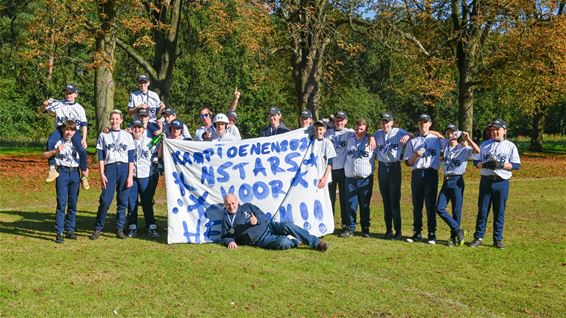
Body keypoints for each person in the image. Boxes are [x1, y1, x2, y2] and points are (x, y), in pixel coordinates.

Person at [469, 119, 520, 249]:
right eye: (492, 130)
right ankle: (478, 237)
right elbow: (476, 162)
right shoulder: (485, 144)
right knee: (483, 210)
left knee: (499, 211)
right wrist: (484, 164)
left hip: (501, 181)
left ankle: (497, 239)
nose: (494, 132)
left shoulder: (510, 146)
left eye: (497, 129)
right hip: (486, 180)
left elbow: (516, 165)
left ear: (504, 131)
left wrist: (502, 165)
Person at [220, 194, 329, 251]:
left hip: (269, 226)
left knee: (287, 225)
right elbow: (225, 236)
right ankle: (296, 242)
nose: (231, 206)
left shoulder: (247, 206)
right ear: (225, 205)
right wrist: (230, 241)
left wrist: (257, 220)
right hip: (260, 240)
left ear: (237, 201)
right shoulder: (227, 219)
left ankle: (316, 243)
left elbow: (263, 216)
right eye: (228, 204)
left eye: (233, 203)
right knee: (283, 243)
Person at [90, 110, 135, 240]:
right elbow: (101, 157)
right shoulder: (104, 135)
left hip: (124, 168)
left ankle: (119, 228)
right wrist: (102, 173)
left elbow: (131, 157)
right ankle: (98, 227)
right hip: (110, 168)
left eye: (117, 119)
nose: (114, 121)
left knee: (122, 200)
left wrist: (130, 175)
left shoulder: (127, 135)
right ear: (109, 120)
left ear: (121, 120)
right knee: (105, 199)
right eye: (112, 119)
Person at [404, 114, 445, 244]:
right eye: (421, 122)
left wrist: (433, 132)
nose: (423, 125)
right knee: (417, 205)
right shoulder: (413, 141)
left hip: (430, 173)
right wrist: (415, 155)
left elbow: (447, 142)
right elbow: (407, 162)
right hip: (417, 173)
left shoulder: (436, 139)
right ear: (418, 124)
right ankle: (417, 232)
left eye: (425, 122)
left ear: (430, 124)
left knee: (430, 205)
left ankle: (432, 234)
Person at [436, 124, 480, 246]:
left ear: (457, 134)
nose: (450, 135)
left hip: (457, 180)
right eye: (448, 133)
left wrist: (468, 139)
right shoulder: (445, 146)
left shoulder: (463, 148)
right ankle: (458, 230)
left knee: (456, 210)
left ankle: (453, 238)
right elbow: (437, 135)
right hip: (446, 180)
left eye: (453, 132)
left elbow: (478, 151)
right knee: (439, 208)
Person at [40, 84, 90, 189]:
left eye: (70, 93)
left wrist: (84, 138)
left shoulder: (79, 108)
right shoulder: (58, 104)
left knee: (82, 150)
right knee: (50, 142)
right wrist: (44, 105)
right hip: (60, 129)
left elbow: (84, 125)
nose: (68, 95)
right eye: (66, 93)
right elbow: (42, 110)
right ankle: (52, 169)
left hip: (73, 131)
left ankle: (84, 175)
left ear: (76, 94)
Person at [42, 120, 82, 243]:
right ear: (63, 130)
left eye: (71, 130)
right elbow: (44, 155)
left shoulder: (78, 142)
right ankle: (59, 232)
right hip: (62, 172)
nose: (69, 132)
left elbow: (84, 156)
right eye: (67, 130)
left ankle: (70, 230)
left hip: (75, 172)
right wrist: (55, 151)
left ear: (74, 131)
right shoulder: (57, 141)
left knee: (73, 203)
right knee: (61, 204)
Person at [373, 112, 411, 240]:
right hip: (382, 167)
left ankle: (398, 231)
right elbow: (368, 138)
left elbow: (413, 137)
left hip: (394, 167)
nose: (385, 124)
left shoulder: (398, 131)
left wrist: (407, 136)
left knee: (394, 200)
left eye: (387, 122)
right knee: (385, 200)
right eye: (383, 121)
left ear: (392, 122)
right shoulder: (377, 133)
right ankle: (388, 230)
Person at [342, 118, 376, 238]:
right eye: (357, 128)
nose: (359, 131)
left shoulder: (371, 140)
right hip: (350, 178)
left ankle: (365, 228)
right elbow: (335, 128)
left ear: (366, 129)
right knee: (351, 204)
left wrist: (371, 136)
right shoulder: (349, 139)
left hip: (365, 179)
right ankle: (350, 228)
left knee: (364, 204)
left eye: (361, 129)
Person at [126, 119, 160, 238]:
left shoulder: (150, 142)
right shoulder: (127, 141)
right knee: (132, 202)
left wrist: (163, 136)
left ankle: (151, 226)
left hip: (146, 175)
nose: (137, 129)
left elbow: (159, 150)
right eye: (135, 127)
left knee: (147, 202)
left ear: (143, 129)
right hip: (132, 176)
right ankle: (132, 226)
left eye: (139, 127)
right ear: (131, 128)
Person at [325, 111, 354, 235]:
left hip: (343, 170)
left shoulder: (349, 132)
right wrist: (328, 124)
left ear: (346, 121)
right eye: (337, 119)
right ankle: (328, 224)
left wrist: (372, 137)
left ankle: (346, 225)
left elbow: (363, 133)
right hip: (330, 170)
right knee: (329, 199)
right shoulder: (327, 133)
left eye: (342, 119)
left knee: (344, 199)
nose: (339, 122)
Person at [312, 120, 336, 190]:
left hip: (324, 178)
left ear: (325, 130)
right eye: (316, 129)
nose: (318, 131)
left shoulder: (328, 143)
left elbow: (330, 164)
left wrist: (325, 178)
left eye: (320, 129)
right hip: (314, 176)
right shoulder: (312, 143)